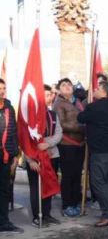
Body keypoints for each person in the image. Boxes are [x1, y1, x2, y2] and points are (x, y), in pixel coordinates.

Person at [77, 81, 108, 227]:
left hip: (100, 151)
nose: (94, 89)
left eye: (98, 88)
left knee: (98, 182)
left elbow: (81, 118)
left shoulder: (93, 107)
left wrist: (88, 105)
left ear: (104, 91)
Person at [25, 85, 63, 227]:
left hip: (52, 155)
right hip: (35, 158)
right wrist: (30, 159)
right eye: (46, 95)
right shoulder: (30, 115)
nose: (50, 97)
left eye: (50, 95)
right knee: (36, 188)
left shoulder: (52, 114)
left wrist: (47, 144)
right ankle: (37, 216)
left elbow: (59, 133)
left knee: (49, 185)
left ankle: (46, 214)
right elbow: (25, 140)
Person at [53, 77, 86, 217]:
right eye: (63, 85)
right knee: (68, 175)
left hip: (80, 143)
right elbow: (61, 124)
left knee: (77, 174)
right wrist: (81, 127)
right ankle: (67, 205)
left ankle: (75, 202)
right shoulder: (58, 103)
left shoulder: (77, 102)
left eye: (69, 84)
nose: (67, 86)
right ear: (59, 89)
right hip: (67, 144)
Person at [0, 79, 21, 232]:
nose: (1, 91)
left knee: (4, 189)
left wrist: (15, 156)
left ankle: (3, 221)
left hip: (5, 155)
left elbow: (13, 133)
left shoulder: (9, 108)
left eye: (3, 88)